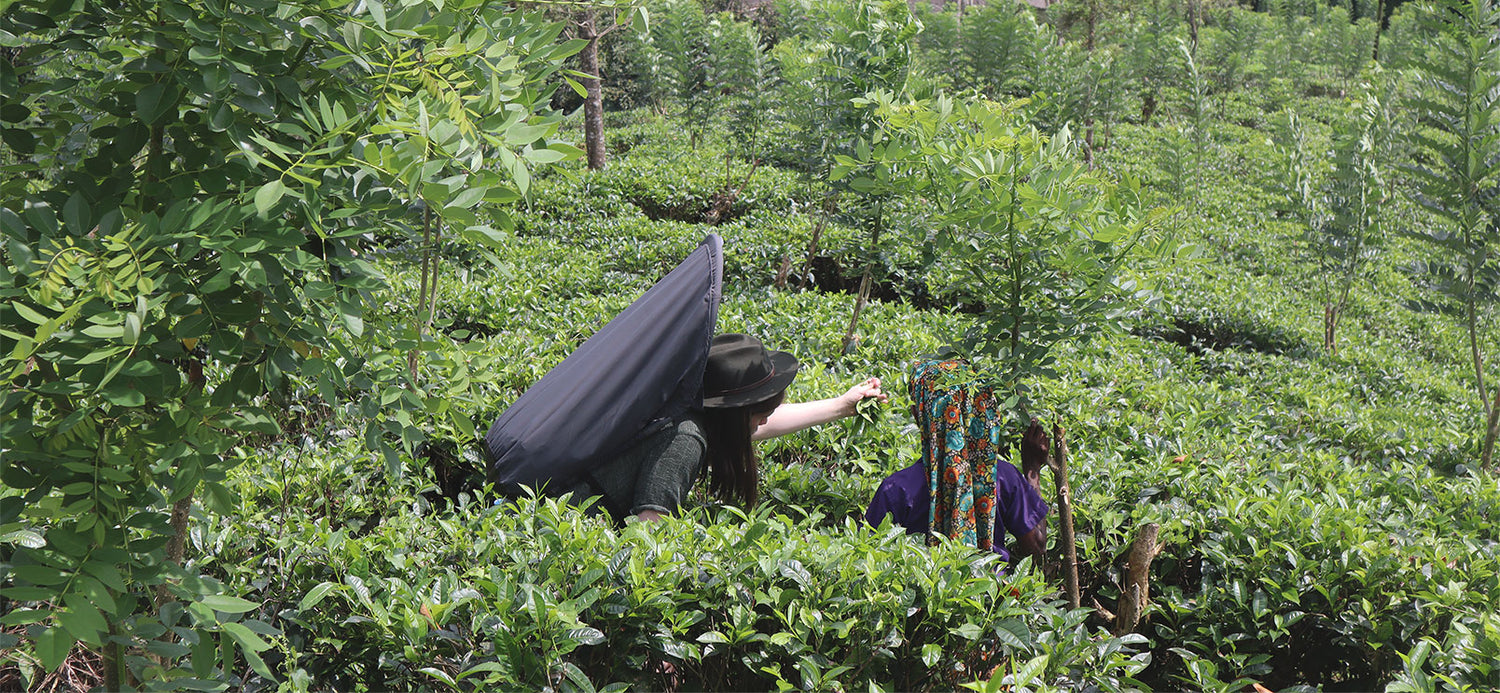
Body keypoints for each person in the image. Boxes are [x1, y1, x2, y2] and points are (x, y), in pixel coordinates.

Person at [551, 333, 888, 523]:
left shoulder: (689, 411)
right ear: (734, 414)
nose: (765, 421)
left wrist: (843, 405)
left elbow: (761, 425)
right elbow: (648, 530)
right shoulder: (685, 441)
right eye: (759, 413)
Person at [865, 360, 1050, 566]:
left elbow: (869, 556)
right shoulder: (1002, 476)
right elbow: (1037, 546)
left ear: (918, 415)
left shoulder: (896, 489)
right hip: (992, 594)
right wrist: (1032, 469)